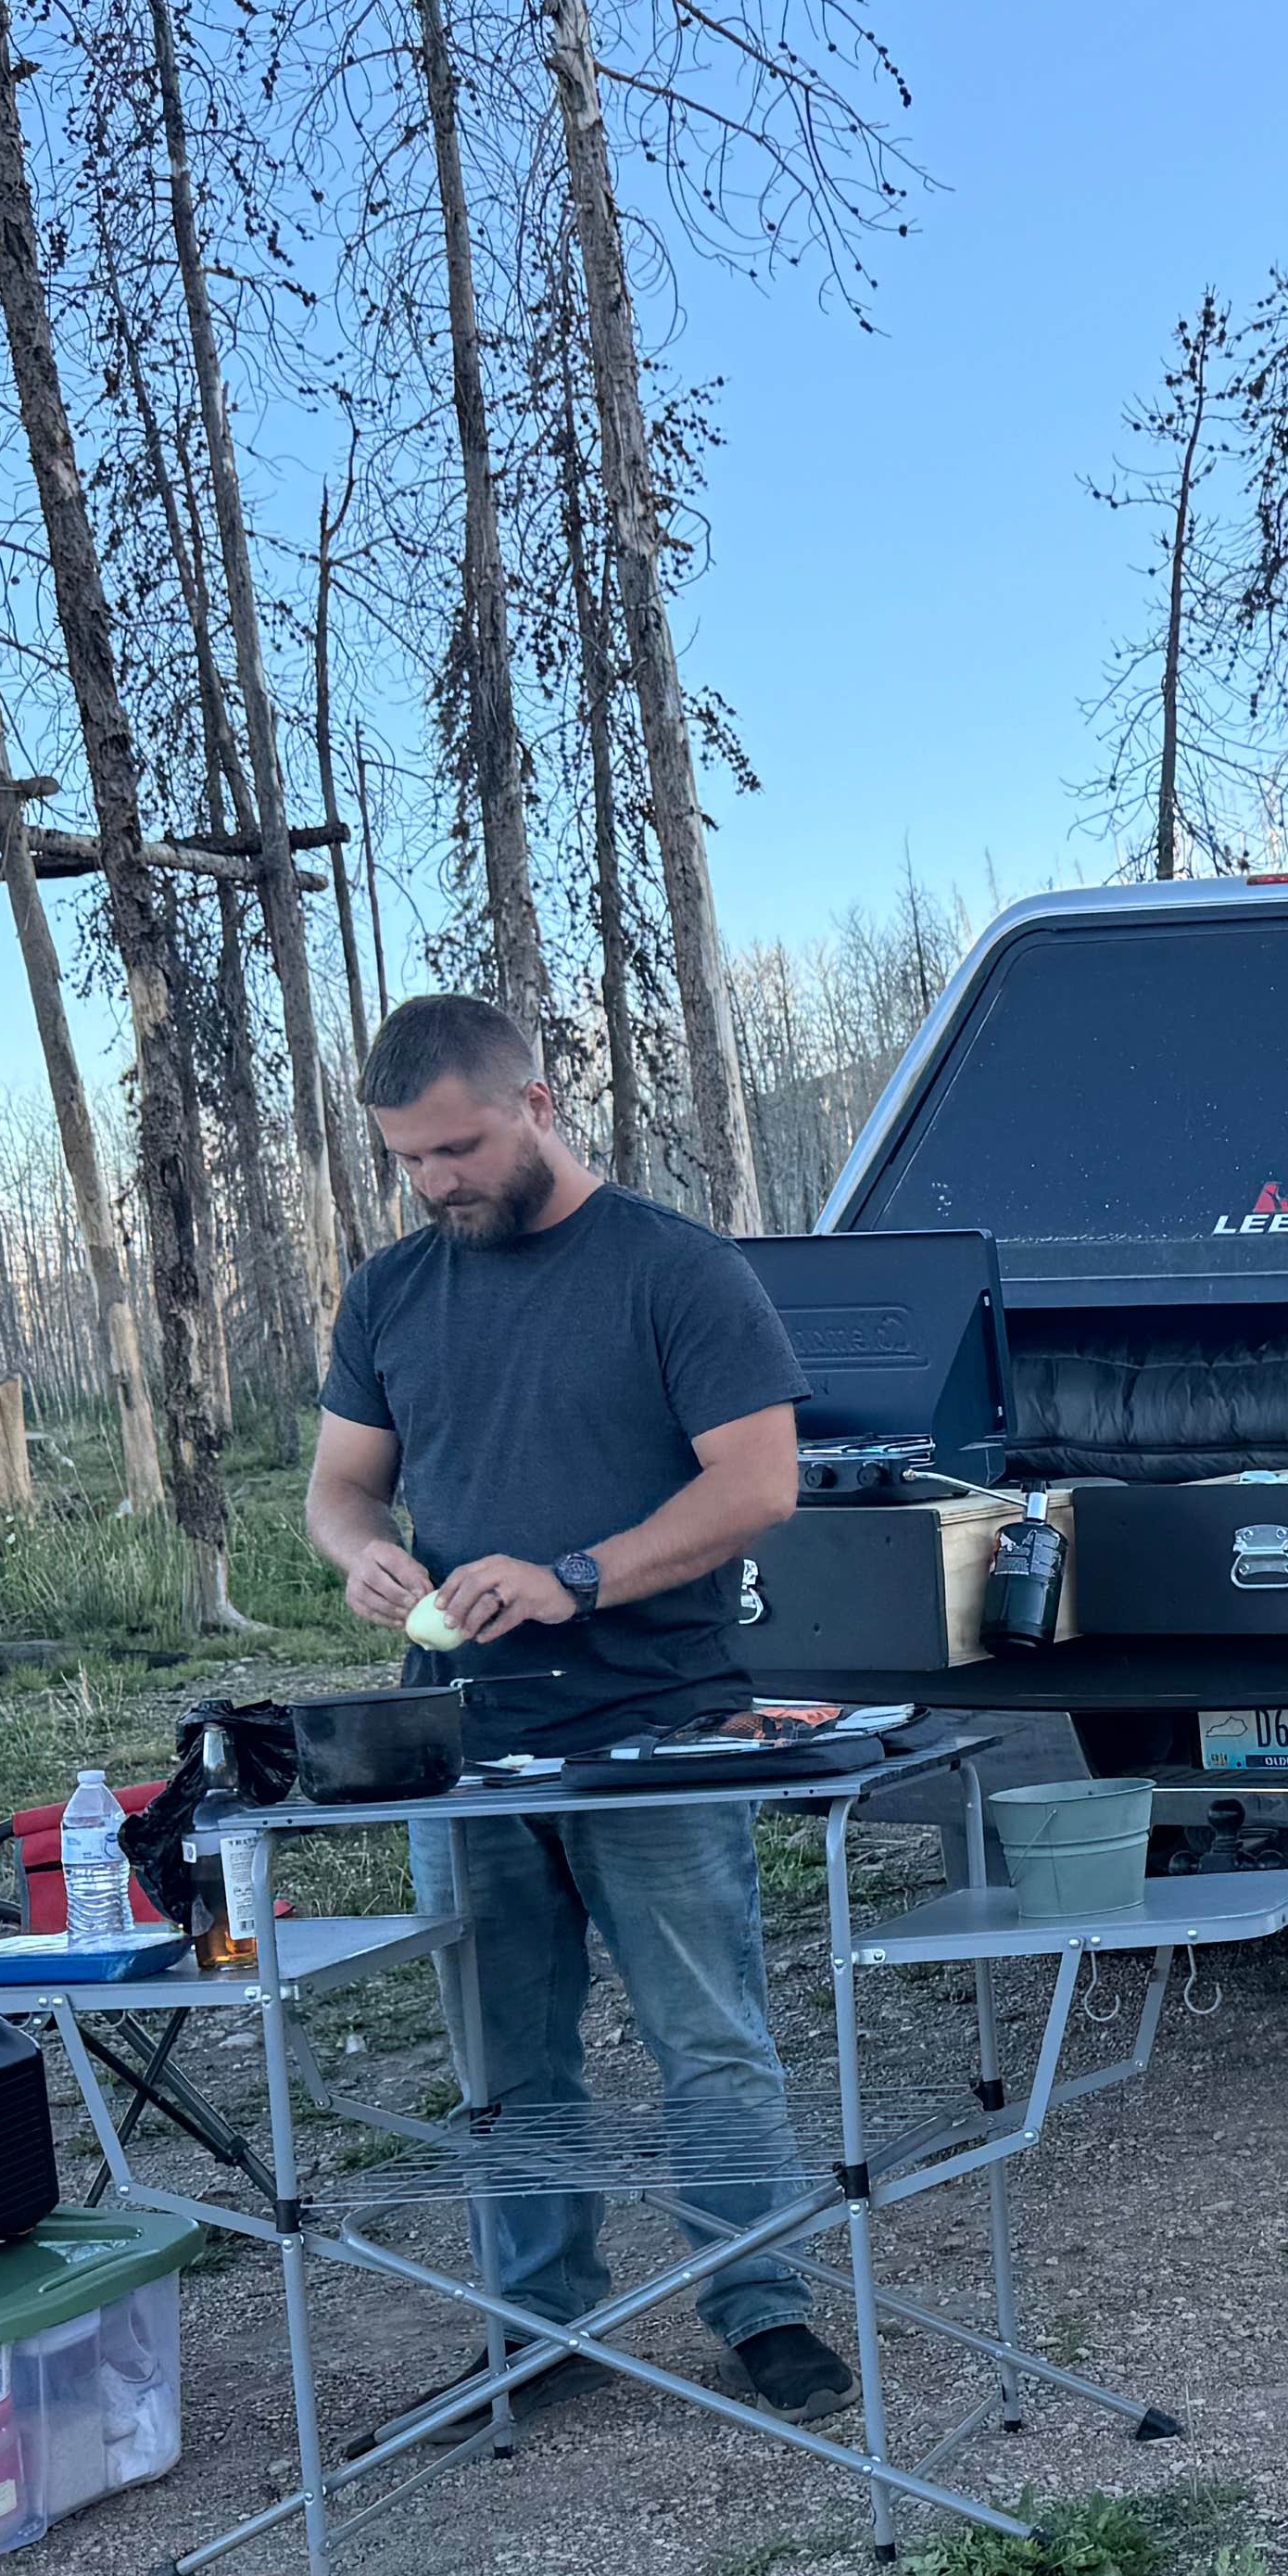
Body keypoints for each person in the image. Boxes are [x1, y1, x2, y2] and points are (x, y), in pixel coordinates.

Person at [306, 991, 852, 2420]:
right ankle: (538, 2321)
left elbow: (759, 1486)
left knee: (708, 2035)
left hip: (658, 1721)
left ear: (539, 1104)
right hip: (460, 1737)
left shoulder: (675, 1271)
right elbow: (341, 1485)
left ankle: (760, 2305)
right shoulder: (391, 1293)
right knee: (506, 2049)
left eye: (461, 1148)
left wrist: (576, 1577)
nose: (437, 1183)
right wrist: (363, 1552)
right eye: (410, 1161)